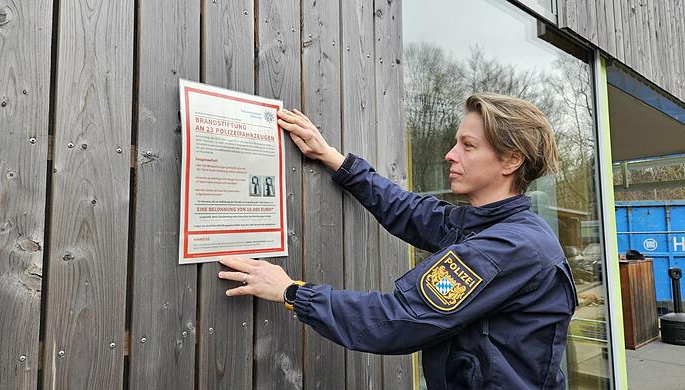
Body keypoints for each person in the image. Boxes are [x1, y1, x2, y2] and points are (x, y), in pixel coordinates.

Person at [218, 93, 578, 389]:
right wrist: (335, 159)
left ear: (511, 160)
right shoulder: (489, 226)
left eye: (468, 146)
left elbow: (400, 319)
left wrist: (291, 291)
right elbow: (411, 211)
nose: (450, 154)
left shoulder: (507, 247)